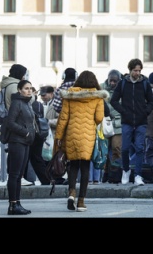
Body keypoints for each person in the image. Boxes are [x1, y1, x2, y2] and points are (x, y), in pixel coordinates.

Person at [54, 70, 108, 212]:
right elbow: (99, 118)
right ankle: (81, 202)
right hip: (88, 135)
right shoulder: (97, 97)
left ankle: (71, 193)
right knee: (85, 168)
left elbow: (63, 118)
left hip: (71, 134)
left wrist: (58, 137)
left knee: (73, 166)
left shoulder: (70, 95)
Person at [110, 58, 153, 186]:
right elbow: (114, 100)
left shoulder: (145, 83)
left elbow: (151, 101)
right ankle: (125, 170)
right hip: (127, 121)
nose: (138, 73)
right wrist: (123, 111)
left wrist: (145, 112)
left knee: (140, 148)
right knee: (124, 149)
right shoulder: (123, 83)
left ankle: (138, 175)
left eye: (139, 70)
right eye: (135, 70)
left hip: (141, 121)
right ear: (130, 70)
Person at [4, 79, 37, 215]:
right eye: (26, 88)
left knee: (19, 176)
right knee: (15, 174)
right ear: (19, 90)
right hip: (17, 142)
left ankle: (17, 203)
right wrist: (26, 132)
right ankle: (12, 205)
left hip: (25, 142)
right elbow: (10, 123)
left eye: (30, 88)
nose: (29, 90)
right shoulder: (17, 103)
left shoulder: (27, 103)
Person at [100, 69, 123, 184]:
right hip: (105, 122)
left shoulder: (124, 89)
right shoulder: (101, 88)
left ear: (119, 80)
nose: (112, 83)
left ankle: (115, 173)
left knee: (116, 148)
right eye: (111, 81)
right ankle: (106, 172)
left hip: (118, 124)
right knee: (104, 149)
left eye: (115, 81)